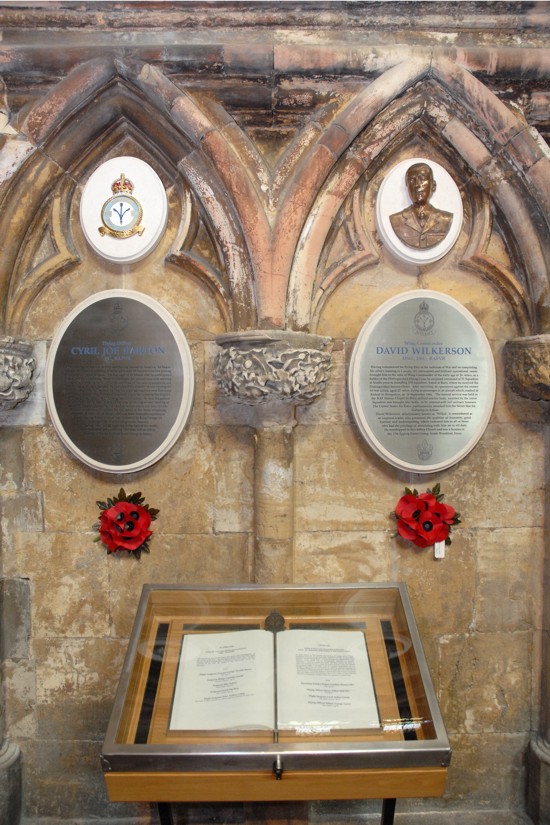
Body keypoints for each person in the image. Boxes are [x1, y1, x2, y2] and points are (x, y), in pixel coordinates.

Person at [389, 162, 453, 249]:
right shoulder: (396, 220)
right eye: (411, 180)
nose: (417, 185)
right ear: (407, 187)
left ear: (433, 186)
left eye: (422, 179)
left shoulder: (446, 219)